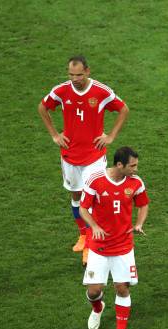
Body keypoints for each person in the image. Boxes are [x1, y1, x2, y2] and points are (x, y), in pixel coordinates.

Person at [38, 55, 129, 265]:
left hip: (94, 157)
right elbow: (42, 107)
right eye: (71, 74)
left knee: (92, 199)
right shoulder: (61, 91)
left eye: (78, 74)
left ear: (87, 71)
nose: (74, 78)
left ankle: (90, 243)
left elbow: (123, 109)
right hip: (69, 155)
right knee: (76, 196)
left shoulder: (100, 91)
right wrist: (54, 134)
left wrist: (111, 136)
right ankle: (82, 234)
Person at [79, 147, 149, 329]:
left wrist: (139, 223)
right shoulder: (95, 180)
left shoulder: (136, 183)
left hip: (123, 246)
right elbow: (83, 208)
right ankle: (97, 307)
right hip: (99, 247)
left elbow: (143, 205)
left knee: (122, 288)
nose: (136, 169)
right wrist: (94, 227)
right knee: (94, 291)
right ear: (120, 165)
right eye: (132, 165)